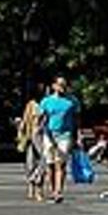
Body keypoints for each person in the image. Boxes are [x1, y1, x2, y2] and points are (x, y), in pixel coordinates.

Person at [37, 76, 81, 204]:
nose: (63, 87)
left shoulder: (72, 101)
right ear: (54, 86)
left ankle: (59, 191)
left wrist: (77, 135)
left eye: (64, 84)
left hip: (65, 135)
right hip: (49, 134)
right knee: (50, 164)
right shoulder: (46, 101)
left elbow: (77, 119)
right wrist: (39, 128)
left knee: (61, 164)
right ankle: (52, 190)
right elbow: (41, 117)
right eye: (60, 84)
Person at [15, 96, 47, 201]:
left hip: (37, 134)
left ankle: (36, 187)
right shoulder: (33, 104)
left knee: (39, 160)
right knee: (34, 161)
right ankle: (33, 186)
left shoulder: (42, 103)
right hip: (33, 134)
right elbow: (27, 120)